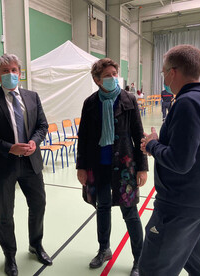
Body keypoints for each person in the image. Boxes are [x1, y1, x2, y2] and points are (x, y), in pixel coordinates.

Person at [139, 44, 200, 275]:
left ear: (172, 72)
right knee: (198, 267)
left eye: (164, 72)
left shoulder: (188, 103)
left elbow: (181, 161)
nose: (164, 78)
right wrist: (159, 142)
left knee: (152, 268)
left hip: (178, 206)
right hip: (197, 201)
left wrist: (152, 145)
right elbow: (190, 150)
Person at [0, 53, 52, 276]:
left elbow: (42, 125)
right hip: (4, 164)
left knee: (38, 204)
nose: (11, 74)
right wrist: (10, 147)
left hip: (30, 162)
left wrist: (34, 142)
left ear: (20, 72)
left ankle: (36, 244)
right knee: (6, 212)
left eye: (14, 70)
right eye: (6, 71)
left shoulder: (32, 97)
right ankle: (9, 255)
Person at [76, 58, 148, 276]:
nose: (112, 78)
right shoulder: (90, 103)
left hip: (125, 165)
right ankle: (104, 249)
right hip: (98, 165)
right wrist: (81, 167)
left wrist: (142, 167)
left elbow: (138, 134)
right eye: (107, 76)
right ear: (97, 80)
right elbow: (84, 137)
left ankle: (139, 258)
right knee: (103, 207)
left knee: (130, 212)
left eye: (114, 74)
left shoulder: (128, 100)